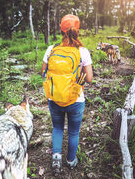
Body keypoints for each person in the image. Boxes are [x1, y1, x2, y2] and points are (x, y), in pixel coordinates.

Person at [41, 14, 93, 173]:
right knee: (73, 131)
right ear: (78, 30)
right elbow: (89, 79)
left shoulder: (52, 48)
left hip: (54, 98)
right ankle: (71, 160)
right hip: (75, 100)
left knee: (57, 128)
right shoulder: (82, 51)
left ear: (61, 30)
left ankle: (56, 157)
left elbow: (43, 72)